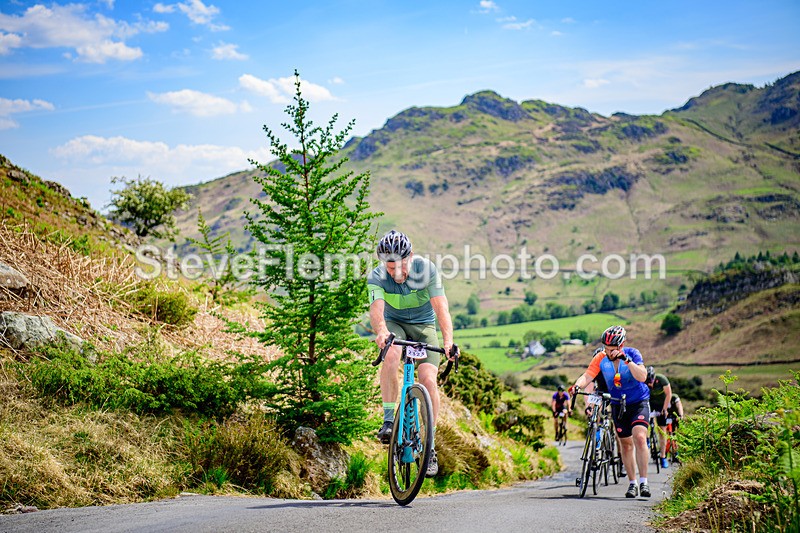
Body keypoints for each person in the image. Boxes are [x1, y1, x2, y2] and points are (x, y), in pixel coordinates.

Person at [367, 230, 457, 478]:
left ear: (411, 257)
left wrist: (448, 341)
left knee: (428, 379)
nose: (396, 272)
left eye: (401, 265)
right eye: (390, 266)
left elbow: (441, 308)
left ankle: (430, 446)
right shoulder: (376, 276)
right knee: (392, 352)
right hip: (394, 325)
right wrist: (382, 331)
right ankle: (387, 420)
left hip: (424, 328)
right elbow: (377, 309)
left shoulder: (427, 271)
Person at [570, 325, 652, 498]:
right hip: (617, 403)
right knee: (626, 445)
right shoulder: (601, 358)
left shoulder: (633, 354)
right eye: (606, 348)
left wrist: (627, 361)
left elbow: (642, 377)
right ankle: (632, 483)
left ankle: (644, 481)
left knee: (639, 437)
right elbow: (588, 376)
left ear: (621, 346)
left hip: (638, 401)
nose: (608, 352)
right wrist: (577, 386)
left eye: (612, 349)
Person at [645, 366, 674, 469]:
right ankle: (647, 439)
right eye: (648, 382)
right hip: (650, 404)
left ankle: (663, 457)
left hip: (662, 405)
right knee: (644, 424)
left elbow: (668, 394)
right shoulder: (643, 381)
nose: (650, 384)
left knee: (662, 430)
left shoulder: (661, 379)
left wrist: (665, 409)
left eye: (651, 381)